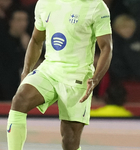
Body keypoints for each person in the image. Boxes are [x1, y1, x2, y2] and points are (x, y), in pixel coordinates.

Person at [7, 0, 113, 150]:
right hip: (49, 69)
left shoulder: (96, 6)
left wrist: (95, 79)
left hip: (78, 76)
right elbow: (36, 40)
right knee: (20, 99)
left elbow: (106, 47)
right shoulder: (44, 3)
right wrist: (26, 72)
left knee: (70, 140)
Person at [0, 7, 29, 101]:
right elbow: (0, 71)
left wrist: (28, 49)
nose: (23, 24)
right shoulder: (0, 42)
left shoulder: (32, 41)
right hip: (5, 92)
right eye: (19, 20)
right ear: (11, 22)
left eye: (25, 20)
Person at [110, 14, 140, 81]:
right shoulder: (114, 44)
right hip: (123, 79)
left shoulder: (136, 42)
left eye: (130, 27)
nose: (128, 30)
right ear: (116, 28)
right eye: (124, 28)